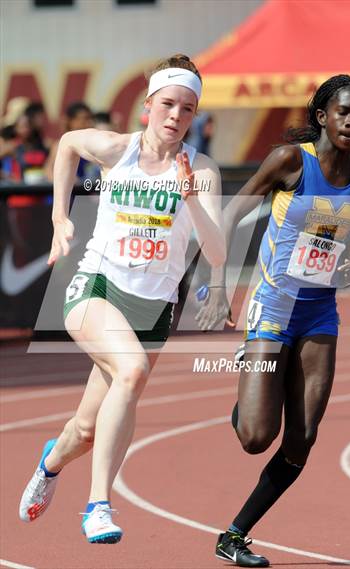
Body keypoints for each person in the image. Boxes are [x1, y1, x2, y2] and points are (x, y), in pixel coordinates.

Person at [19, 54, 226, 544]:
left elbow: (217, 253)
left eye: (188, 109)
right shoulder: (117, 150)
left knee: (86, 431)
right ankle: (98, 507)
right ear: (148, 106)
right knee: (130, 371)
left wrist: (191, 197)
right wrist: (59, 218)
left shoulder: (204, 171)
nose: (177, 116)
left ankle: (49, 465)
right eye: (169, 104)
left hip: (152, 308)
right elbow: (68, 143)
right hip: (95, 287)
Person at [196, 75, 350, 567]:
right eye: (343, 111)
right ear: (322, 116)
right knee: (255, 438)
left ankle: (235, 534)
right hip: (273, 306)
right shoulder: (289, 163)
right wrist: (219, 290)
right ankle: (248, 392)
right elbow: (226, 220)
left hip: (320, 310)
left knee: (301, 442)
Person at [44, 101, 94, 182]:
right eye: (84, 119)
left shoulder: (92, 144)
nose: (89, 123)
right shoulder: (60, 145)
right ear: (71, 121)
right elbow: (49, 170)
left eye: (90, 119)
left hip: (86, 191)